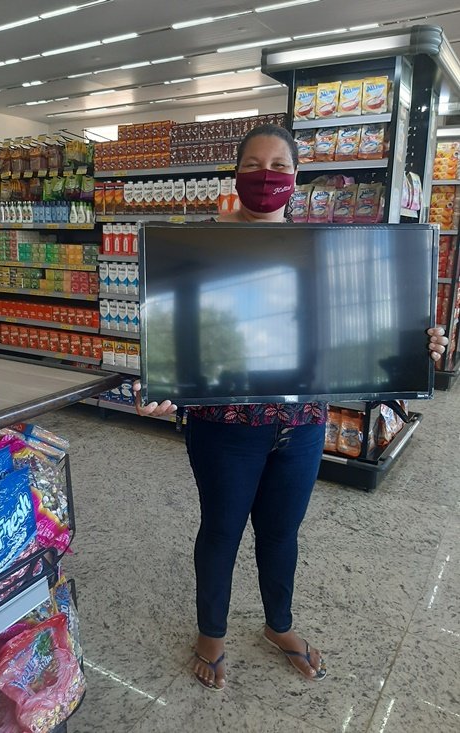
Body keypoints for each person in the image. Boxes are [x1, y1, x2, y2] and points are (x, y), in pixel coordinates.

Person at [133, 124, 448, 691]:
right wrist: (161, 383)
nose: (266, 176)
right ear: (235, 174)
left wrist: (415, 348)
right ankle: (211, 634)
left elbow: (352, 324)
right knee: (222, 530)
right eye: (253, 165)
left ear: (296, 177)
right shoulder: (198, 246)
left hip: (302, 424)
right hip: (225, 426)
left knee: (282, 532)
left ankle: (279, 625)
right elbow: (178, 329)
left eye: (279, 165)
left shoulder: (320, 247)